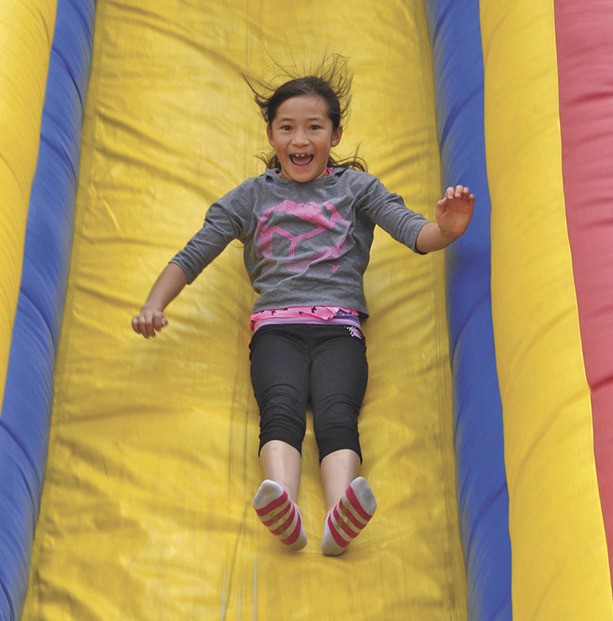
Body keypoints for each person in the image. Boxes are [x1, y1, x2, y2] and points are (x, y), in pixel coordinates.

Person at [131, 57, 474, 556]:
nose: (300, 140)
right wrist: (153, 304)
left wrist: (448, 229)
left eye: (314, 127)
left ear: (334, 135)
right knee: (281, 409)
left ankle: (340, 517)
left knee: (338, 414)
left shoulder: (358, 190)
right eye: (287, 127)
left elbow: (413, 232)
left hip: (339, 329)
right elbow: (194, 253)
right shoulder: (250, 198)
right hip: (276, 329)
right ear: (271, 135)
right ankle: (284, 506)